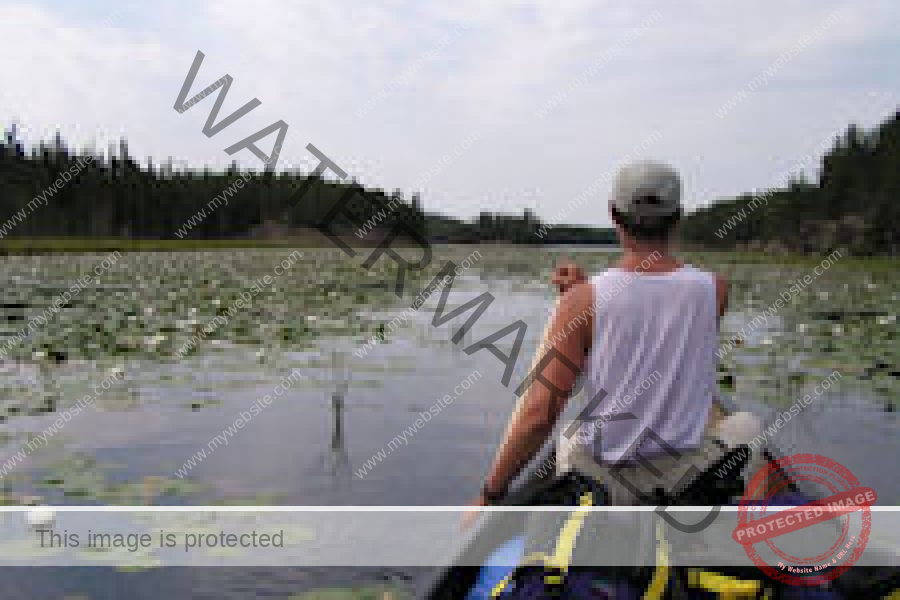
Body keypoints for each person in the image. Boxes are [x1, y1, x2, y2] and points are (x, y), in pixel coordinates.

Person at [471, 159, 763, 512]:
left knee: (570, 436)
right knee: (747, 426)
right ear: (678, 217)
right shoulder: (714, 289)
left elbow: (538, 416)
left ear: (613, 214)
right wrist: (584, 297)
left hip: (607, 487)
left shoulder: (583, 302)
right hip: (684, 479)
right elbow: (658, 316)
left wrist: (491, 493)